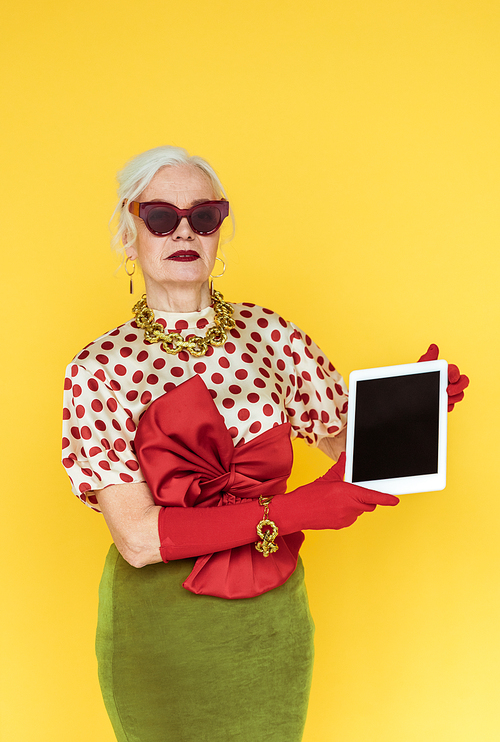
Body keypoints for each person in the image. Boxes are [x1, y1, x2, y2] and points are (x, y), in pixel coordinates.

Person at [61, 146, 468, 742]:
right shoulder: (99, 367)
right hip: (159, 629)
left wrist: (411, 408)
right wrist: (294, 511)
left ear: (219, 231)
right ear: (130, 234)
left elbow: (352, 454)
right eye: (159, 216)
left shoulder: (269, 334)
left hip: (270, 618)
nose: (184, 231)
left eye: (204, 216)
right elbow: (138, 539)